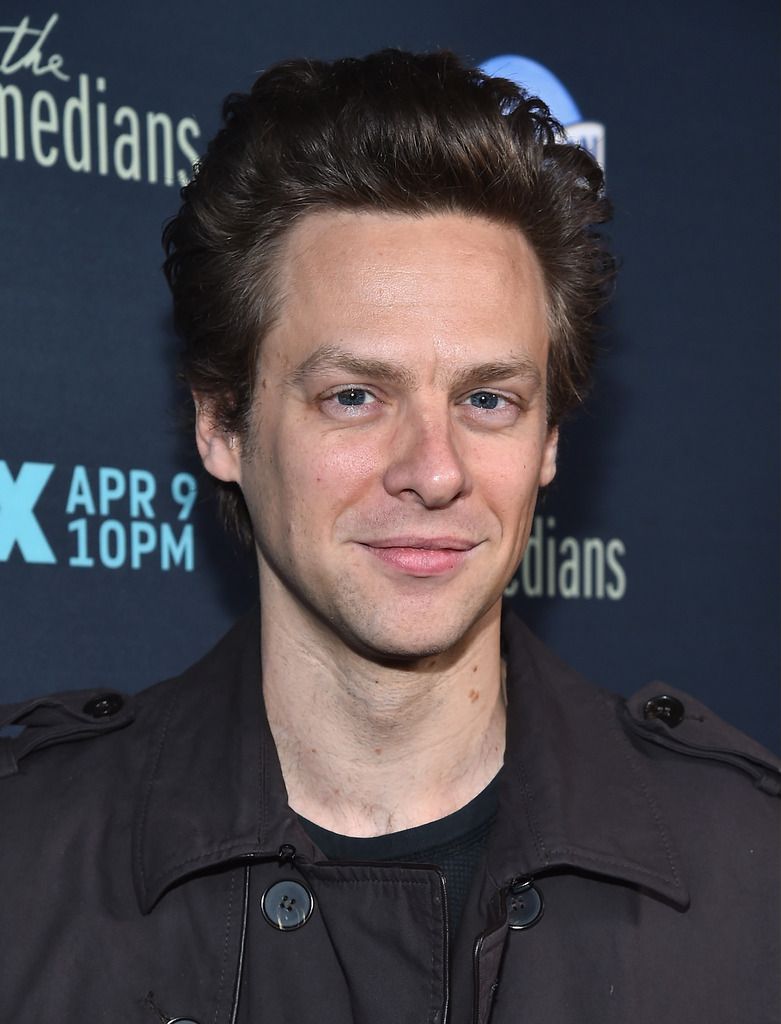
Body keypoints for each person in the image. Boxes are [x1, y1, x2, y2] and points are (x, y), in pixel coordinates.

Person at [1, 50, 778, 1024]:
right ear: (221, 425)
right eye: (355, 396)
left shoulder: (749, 870)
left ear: (547, 442)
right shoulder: (24, 869)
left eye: (487, 398)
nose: (434, 468)